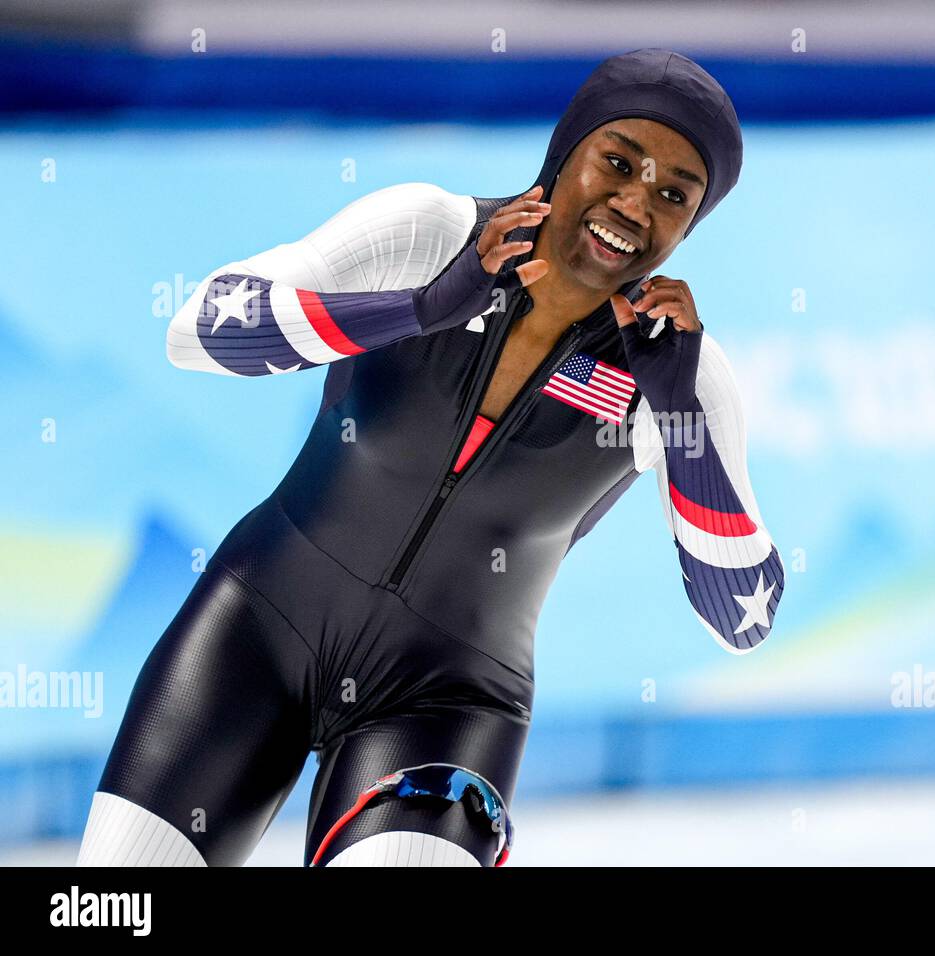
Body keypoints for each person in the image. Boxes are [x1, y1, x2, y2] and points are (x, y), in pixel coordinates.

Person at [76, 48, 783, 868]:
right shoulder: (428, 231)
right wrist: (419, 309)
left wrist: (680, 413)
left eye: (673, 194)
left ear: (690, 225)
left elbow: (744, 618)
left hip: (445, 703)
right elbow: (198, 330)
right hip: (257, 632)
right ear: (563, 156)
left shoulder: (682, 373)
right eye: (617, 162)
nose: (633, 204)